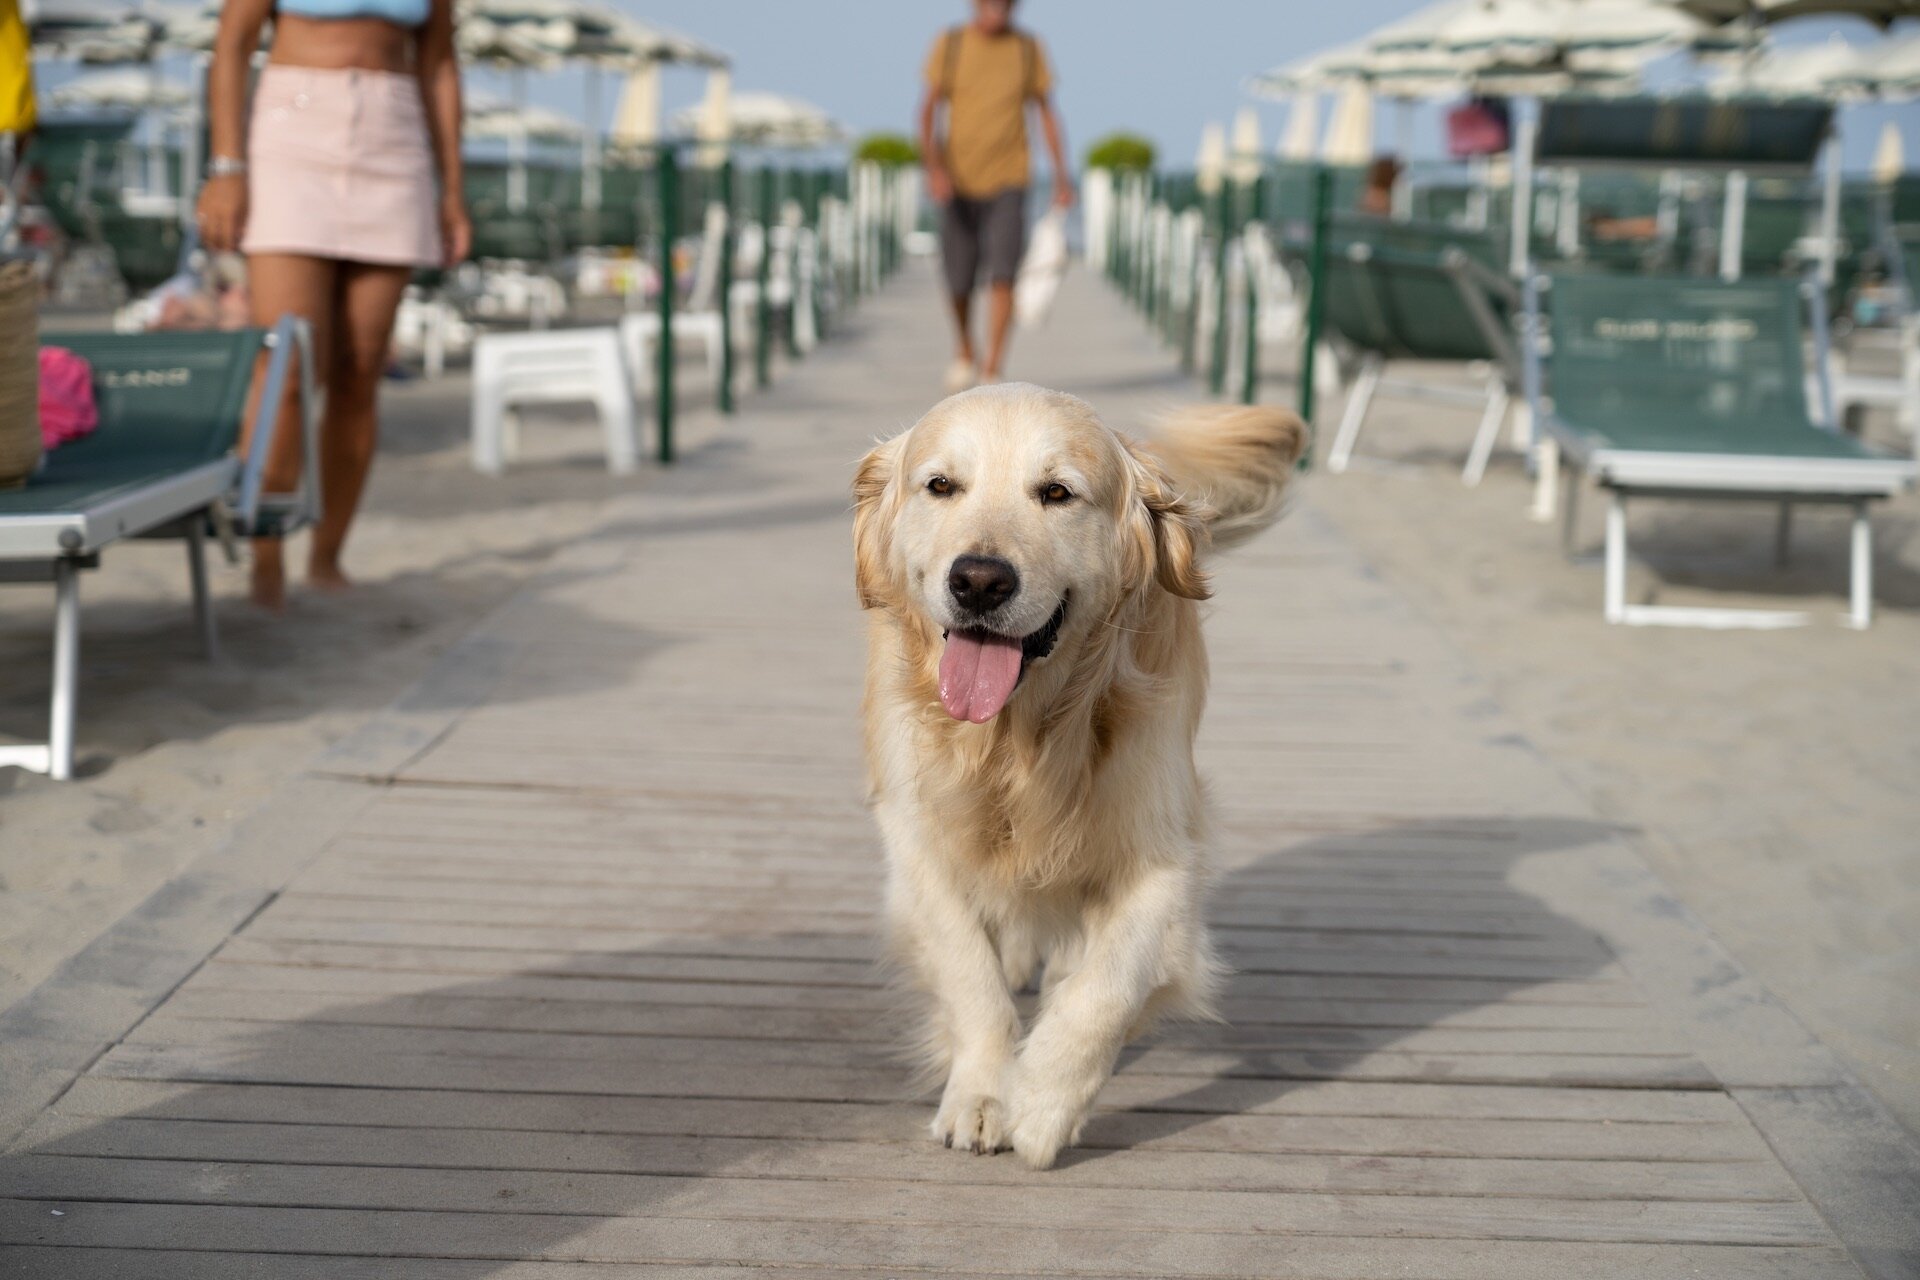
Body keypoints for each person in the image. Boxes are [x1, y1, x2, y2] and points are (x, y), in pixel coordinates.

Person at [198, 0, 469, 610]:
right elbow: (234, 42)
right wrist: (226, 166)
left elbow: (441, 64)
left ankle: (327, 558)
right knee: (287, 371)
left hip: (396, 137)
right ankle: (266, 562)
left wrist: (452, 189)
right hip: (292, 129)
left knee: (360, 370)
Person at [918, 0, 1072, 393]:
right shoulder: (951, 43)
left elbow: (1046, 113)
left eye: (1006, 5)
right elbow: (929, 109)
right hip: (958, 179)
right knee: (958, 279)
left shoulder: (1027, 47)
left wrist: (1060, 175)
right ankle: (966, 348)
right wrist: (934, 168)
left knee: (1003, 273)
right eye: (990, 4)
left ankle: (992, 367)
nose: (998, 11)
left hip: (1010, 177)